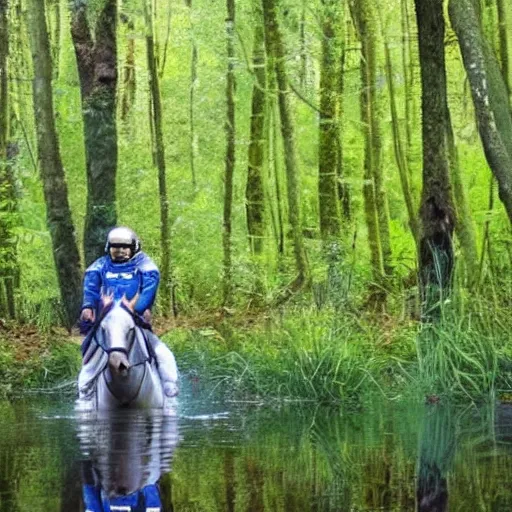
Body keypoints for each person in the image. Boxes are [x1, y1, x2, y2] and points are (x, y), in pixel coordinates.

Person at [79, 226, 179, 398]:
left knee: (162, 352)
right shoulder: (99, 266)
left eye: (125, 247)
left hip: (135, 320)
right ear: (109, 248)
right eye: (115, 248)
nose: (120, 251)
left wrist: (137, 308)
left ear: (134, 248)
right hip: (106, 320)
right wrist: (88, 306)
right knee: (91, 354)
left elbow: (148, 291)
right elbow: (91, 287)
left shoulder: (145, 267)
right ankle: (85, 392)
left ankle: (169, 384)